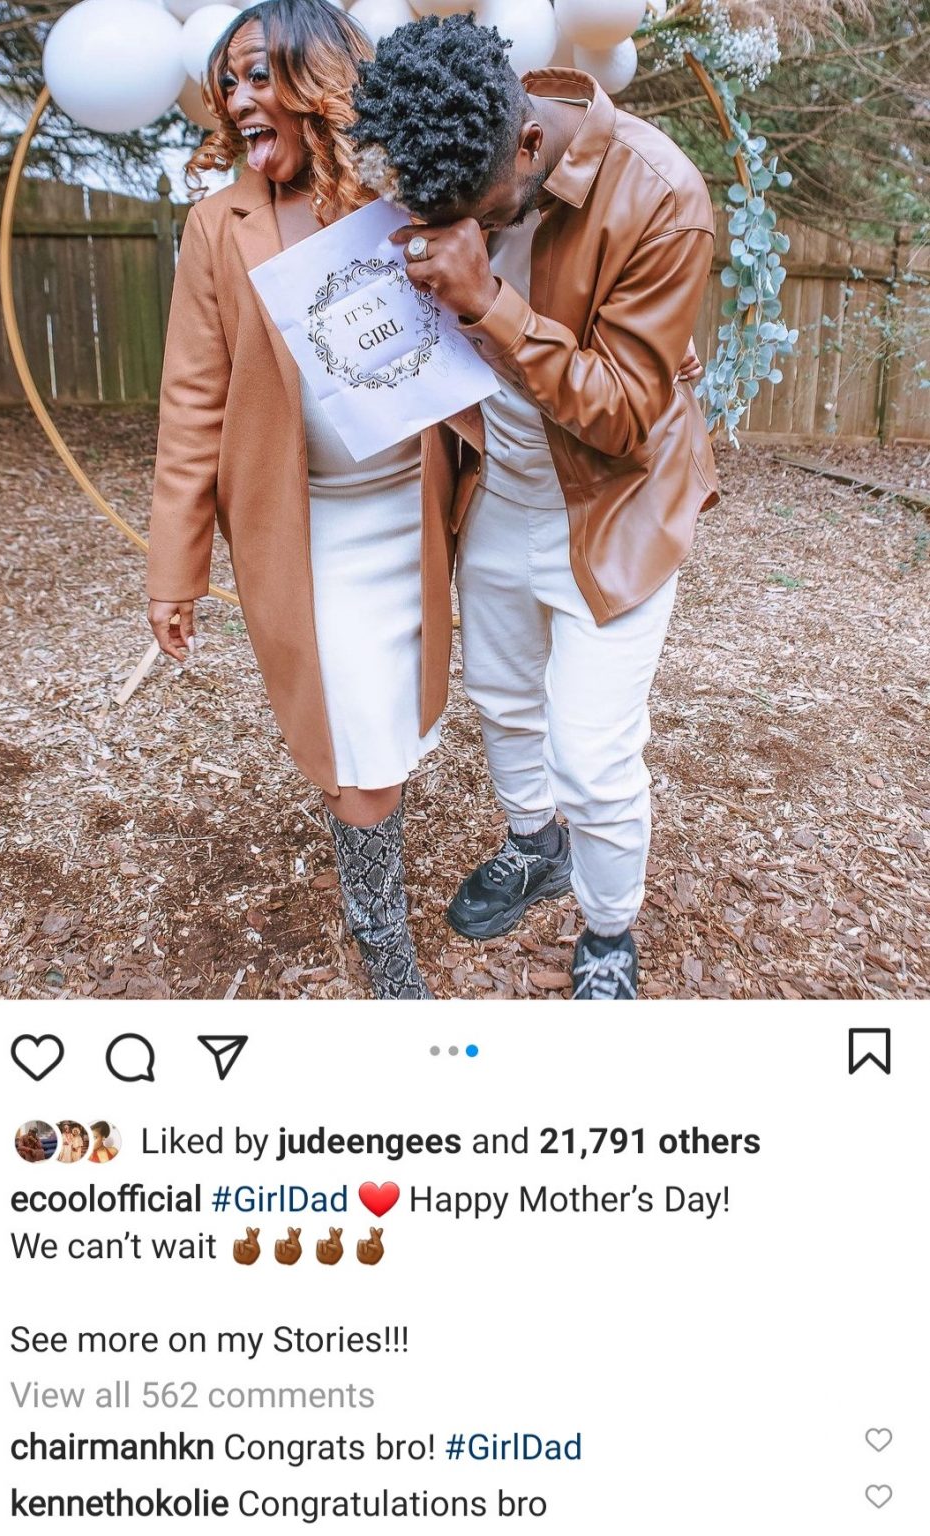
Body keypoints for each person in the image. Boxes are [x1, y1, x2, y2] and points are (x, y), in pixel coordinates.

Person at [350, 16, 719, 998]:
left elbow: (627, 418)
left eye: (476, 217)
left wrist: (487, 300)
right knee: (503, 699)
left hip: (613, 503)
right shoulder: (446, 155)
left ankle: (608, 933)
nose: (454, 235)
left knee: (591, 756)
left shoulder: (659, 193)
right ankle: (533, 847)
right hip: (501, 486)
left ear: (526, 144)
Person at [146, 0, 460, 999]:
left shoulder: (403, 197)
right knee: (356, 744)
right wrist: (174, 570)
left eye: (259, 75)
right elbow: (191, 405)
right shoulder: (218, 226)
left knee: (388, 731)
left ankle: (376, 869)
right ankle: (383, 942)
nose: (239, 99)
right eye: (227, 83)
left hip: (415, 512)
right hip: (311, 526)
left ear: (319, 82)